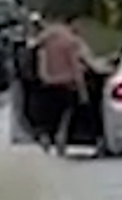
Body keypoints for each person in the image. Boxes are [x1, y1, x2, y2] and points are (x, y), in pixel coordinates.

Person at [30, 9, 96, 154]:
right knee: (67, 113)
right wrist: (82, 89)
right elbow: (75, 66)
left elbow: (35, 58)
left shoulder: (44, 39)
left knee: (49, 113)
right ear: (71, 23)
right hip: (67, 83)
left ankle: (46, 136)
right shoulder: (71, 41)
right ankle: (61, 137)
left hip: (46, 83)